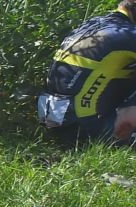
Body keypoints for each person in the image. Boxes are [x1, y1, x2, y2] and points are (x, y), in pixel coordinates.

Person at [38, 1, 136, 145]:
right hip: (85, 128)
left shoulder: (93, 24)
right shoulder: (129, 34)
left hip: (55, 121)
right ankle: (121, 131)